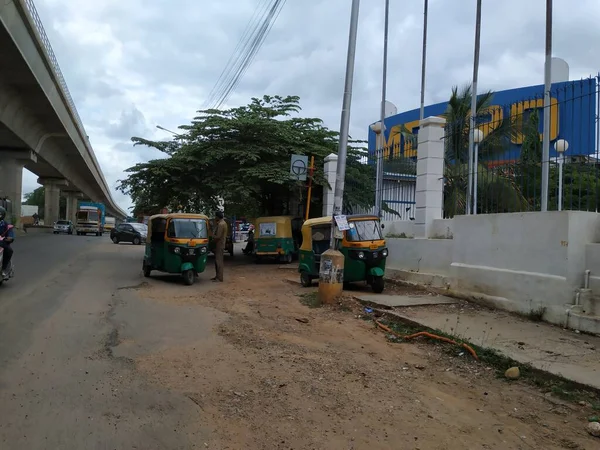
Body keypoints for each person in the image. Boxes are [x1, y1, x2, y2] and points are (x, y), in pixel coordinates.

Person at [211, 210, 227, 282]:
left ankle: (219, 278)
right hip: (220, 244)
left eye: (215, 216)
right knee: (217, 261)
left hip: (219, 244)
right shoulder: (222, 223)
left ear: (217, 217)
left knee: (218, 261)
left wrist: (211, 236)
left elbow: (218, 236)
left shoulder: (221, 224)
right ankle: (217, 276)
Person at [0, 206, 15, 279]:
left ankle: (4, 269)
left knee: (9, 250)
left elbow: (10, 233)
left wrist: (10, 238)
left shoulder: (6, 224)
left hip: (2, 242)